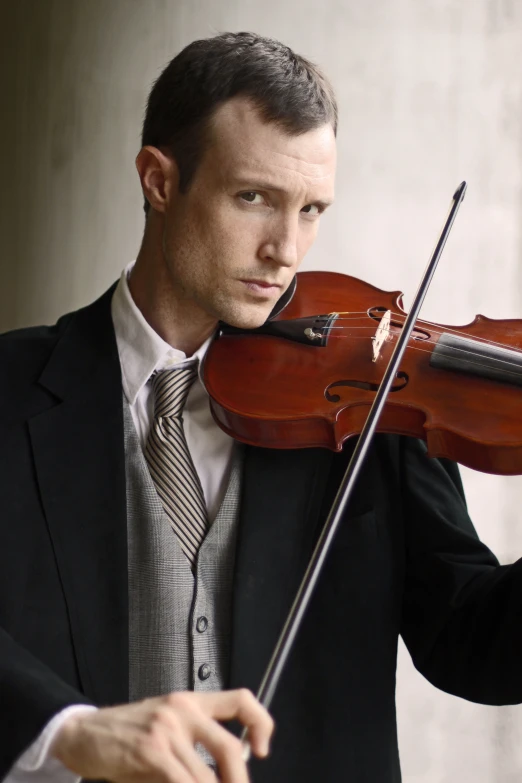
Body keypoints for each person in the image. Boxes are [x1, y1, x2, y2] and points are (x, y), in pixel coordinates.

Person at [1, 30, 522, 783]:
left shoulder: (370, 400)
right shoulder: (10, 388)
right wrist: (69, 730)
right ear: (159, 180)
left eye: (312, 209)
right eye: (255, 198)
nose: (287, 248)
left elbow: (474, 640)